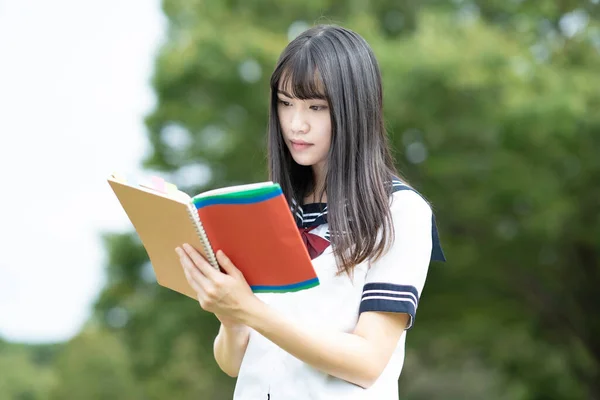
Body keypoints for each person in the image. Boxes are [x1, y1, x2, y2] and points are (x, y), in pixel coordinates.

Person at [175, 24, 445, 400]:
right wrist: (229, 315)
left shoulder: (400, 212)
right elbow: (234, 363)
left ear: (355, 109)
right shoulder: (271, 208)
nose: (295, 124)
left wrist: (249, 309)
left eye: (316, 107)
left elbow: (367, 362)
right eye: (286, 104)